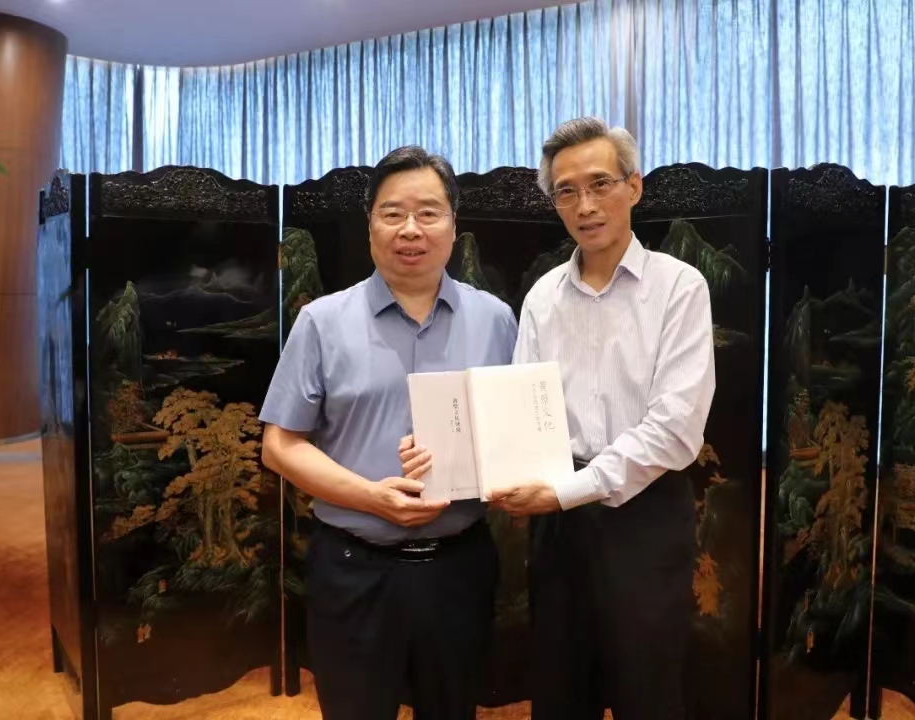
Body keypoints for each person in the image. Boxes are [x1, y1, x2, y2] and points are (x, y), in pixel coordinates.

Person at [259, 145, 518, 720]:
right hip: (354, 566)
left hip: (459, 568)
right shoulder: (322, 322)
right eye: (392, 213)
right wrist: (372, 497)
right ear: (370, 225)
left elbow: (511, 434)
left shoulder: (496, 320)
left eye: (428, 213)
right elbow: (279, 445)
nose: (410, 229)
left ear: (454, 225)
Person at [491, 116, 716, 719]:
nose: (585, 206)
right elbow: (521, 407)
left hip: (645, 513)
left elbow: (675, 429)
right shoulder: (542, 296)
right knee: (560, 687)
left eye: (600, 184)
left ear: (633, 186)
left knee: (647, 690)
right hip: (558, 521)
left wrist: (569, 489)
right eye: (566, 191)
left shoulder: (679, 288)